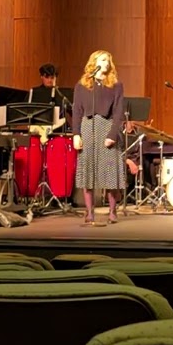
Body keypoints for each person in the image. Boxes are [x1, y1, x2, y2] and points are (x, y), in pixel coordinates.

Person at [71, 50, 126, 224]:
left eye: (109, 60)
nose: (107, 63)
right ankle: (89, 212)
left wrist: (112, 134)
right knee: (88, 170)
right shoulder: (82, 85)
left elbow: (118, 112)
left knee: (110, 172)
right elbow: (76, 111)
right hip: (88, 128)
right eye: (103, 59)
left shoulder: (116, 85)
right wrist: (76, 135)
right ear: (94, 62)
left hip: (107, 126)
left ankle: (112, 211)